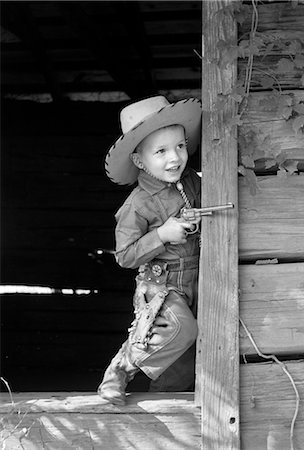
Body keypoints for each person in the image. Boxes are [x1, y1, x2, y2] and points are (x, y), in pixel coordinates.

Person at [98, 95, 202, 405]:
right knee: (181, 329)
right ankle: (119, 371)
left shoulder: (191, 183)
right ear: (140, 161)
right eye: (161, 151)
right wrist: (161, 234)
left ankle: (160, 411)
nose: (175, 158)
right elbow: (125, 256)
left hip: (197, 282)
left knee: (182, 362)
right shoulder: (136, 204)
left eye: (180, 146)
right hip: (162, 286)